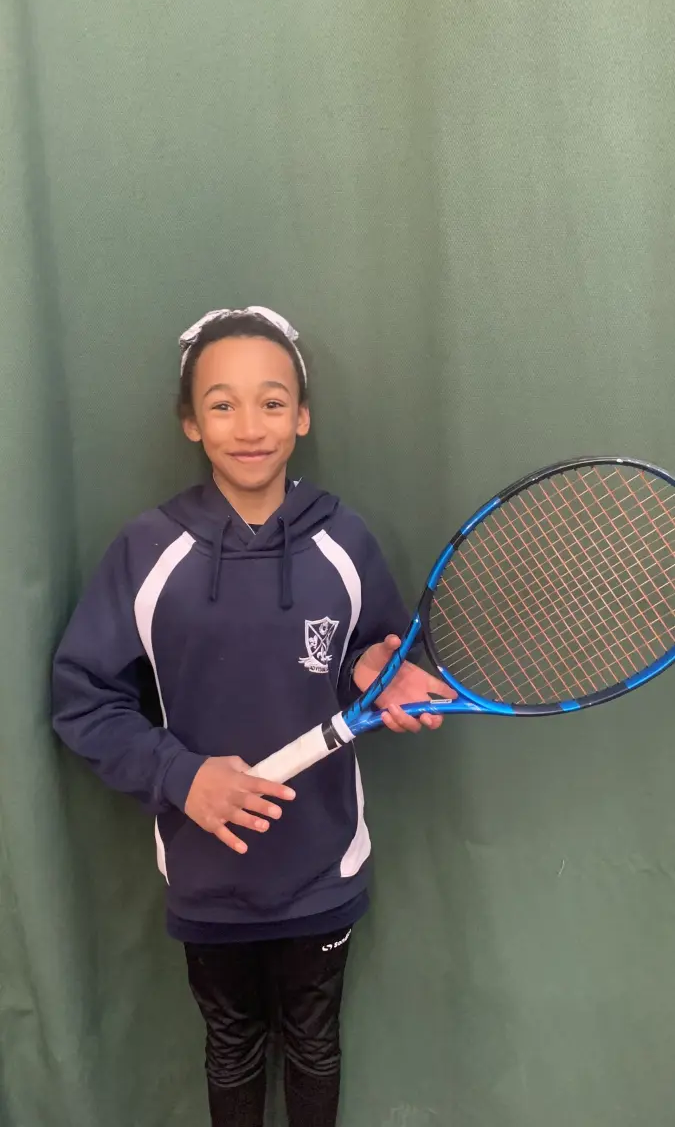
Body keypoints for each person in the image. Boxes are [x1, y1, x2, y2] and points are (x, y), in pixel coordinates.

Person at [52, 306, 454, 1127]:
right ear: (190, 422)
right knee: (230, 1045)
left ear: (301, 417)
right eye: (222, 403)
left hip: (321, 867)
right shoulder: (145, 550)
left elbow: (373, 656)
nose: (249, 426)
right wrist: (183, 777)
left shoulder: (346, 540)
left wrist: (379, 670)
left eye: (272, 402)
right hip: (208, 874)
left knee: (314, 1044)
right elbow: (83, 698)